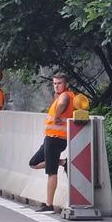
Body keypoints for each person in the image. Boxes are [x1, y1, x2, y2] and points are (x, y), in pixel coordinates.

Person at [29, 72, 75, 211]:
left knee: (51, 172)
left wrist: (56, 116)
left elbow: (62, 104)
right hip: (52, 138)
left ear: (66, 84)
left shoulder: (65, 96)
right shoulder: (65, 95)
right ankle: (64, 162)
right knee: (34, 163)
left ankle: (49, 205)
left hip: (55, 139)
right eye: (54, 83)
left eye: (59, 83)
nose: (56, 86)